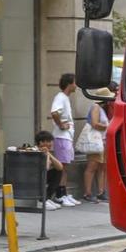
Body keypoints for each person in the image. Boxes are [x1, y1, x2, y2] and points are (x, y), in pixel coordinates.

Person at [49, 73, 81, 206]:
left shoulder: (64, 98)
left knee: (65, 166)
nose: (76, 85)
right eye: (74, 82)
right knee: (62, 166)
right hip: (62, 137)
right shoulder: (60, 97)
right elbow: (54, 112)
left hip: (66, 137)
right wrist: (61, 125)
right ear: (69, 84)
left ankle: (63, 193)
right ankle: (59, 194)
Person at [82, 92, 111, 203]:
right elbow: (94, 123)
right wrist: (107, 126)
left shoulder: (101, 109)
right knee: (92, 166)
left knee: (102, 167)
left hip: (101, 141)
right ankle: (88, 193)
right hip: (95, 141)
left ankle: (101, 191)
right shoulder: (95, 107)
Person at [35, 130, 67, 211]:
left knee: (57, 171)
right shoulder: (36, 152)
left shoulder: (46, 152)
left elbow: (60, 167)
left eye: (51, 141)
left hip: (40, 176)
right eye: (48, 141)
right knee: (48, 173)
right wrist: (46, 154)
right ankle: (41, 201)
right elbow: (45, 168)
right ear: (41, 142)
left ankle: (46, 198)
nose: (51, 144)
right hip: (34, 179)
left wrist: (48, 154)